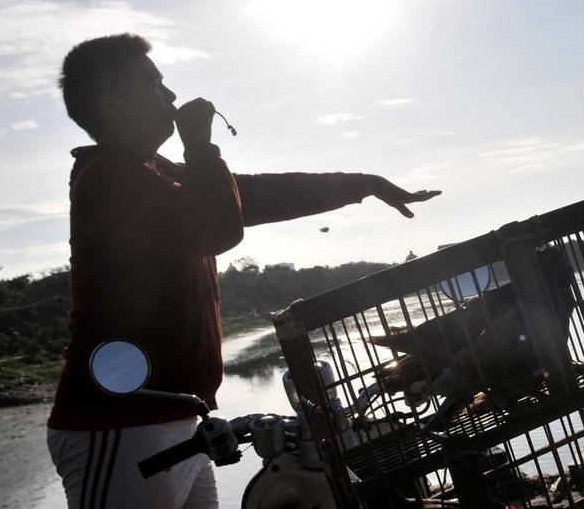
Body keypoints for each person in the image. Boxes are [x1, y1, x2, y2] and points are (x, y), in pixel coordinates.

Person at [45, 34, 440, 508]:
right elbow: (216, 226)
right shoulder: (109, 178)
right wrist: (200, 145)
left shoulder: (157, 174)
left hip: (176, 417)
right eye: (154, 85)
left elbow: (254, 194)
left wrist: (365, 184)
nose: (170, 96)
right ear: (114, 105)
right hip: (117, 423)